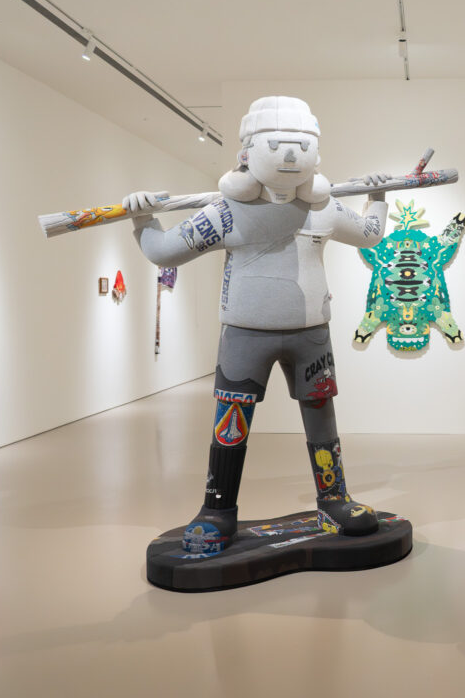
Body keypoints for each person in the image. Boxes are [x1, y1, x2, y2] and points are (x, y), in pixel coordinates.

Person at [123, 96, 389, 555]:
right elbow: (165, 251)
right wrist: (142, 216)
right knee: (232, 423)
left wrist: (379, 197)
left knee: (320, 416)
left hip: (311, 333)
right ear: (247, 153)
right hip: (245, 335)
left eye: (300, 146)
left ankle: (333, 499)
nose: (289, 156)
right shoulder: (226, 212)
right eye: (277, 145)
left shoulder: (323, 209)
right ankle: (217, 509)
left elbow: (369, 234)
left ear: (315, 153)